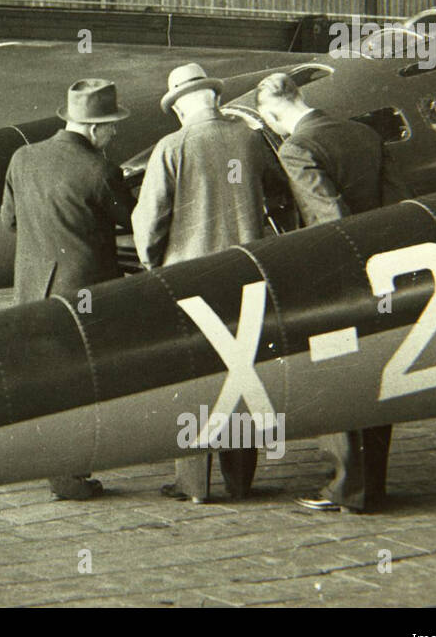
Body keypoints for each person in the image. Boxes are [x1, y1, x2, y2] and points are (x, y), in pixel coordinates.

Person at [255, 71, 411, 514]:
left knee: (338, 372)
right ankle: (371, 485)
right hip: (384, 268)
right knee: (379, 373)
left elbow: (329, 219)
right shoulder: (363, 134)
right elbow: (399, 200)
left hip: (339, 275)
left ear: (273, 112)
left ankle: (346, 488)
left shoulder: (296, 147)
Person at [133, 63, 285, 504]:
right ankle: (240, 481)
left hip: (188, 282)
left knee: (195, 376)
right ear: (215, 100)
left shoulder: (172, 147)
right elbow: (280, 193)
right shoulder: (249, 140)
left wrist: (153, 265)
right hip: (246, 276)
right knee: (241, 373)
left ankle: (193, 484)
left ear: (180, 107)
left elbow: (150, 222)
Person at [1, 78, 135, 500]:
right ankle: (70, 477)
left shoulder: (23, 158)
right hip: (85, 295)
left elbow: (9, 220)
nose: (114, 134)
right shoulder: (99, 169)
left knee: (50, 381)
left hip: (32, 289)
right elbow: (134, 221)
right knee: (83, 384)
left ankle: (55, 466)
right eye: (111, 126)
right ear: (95, 128)